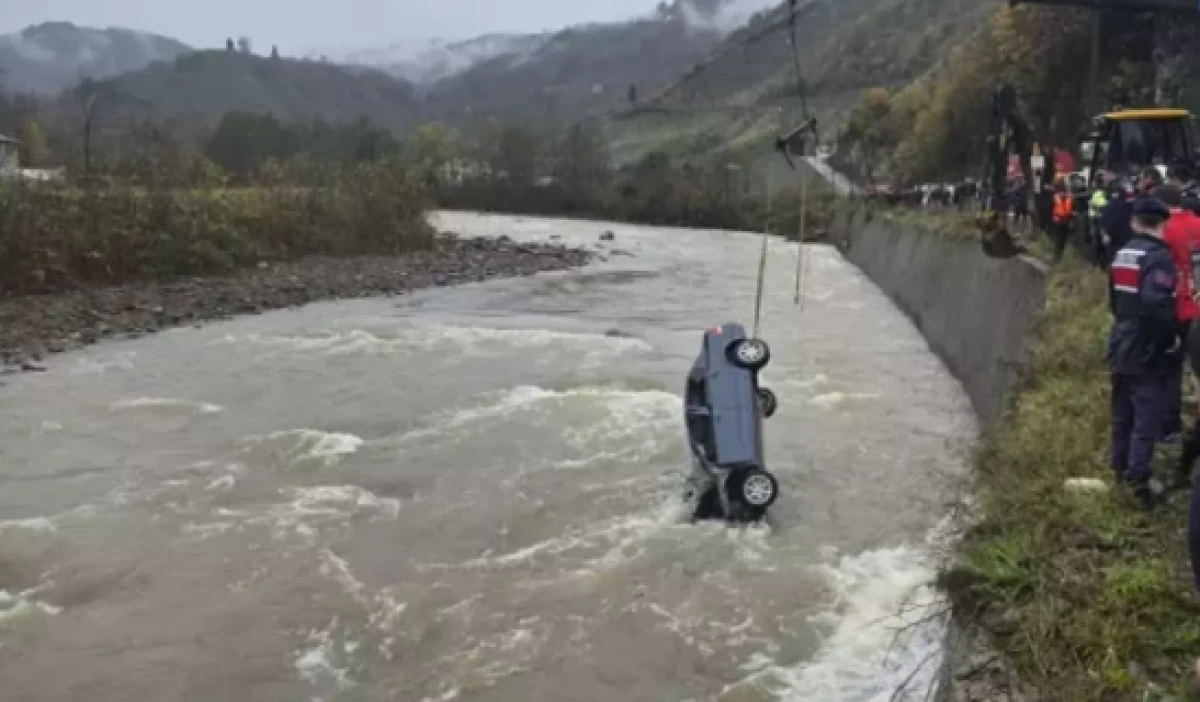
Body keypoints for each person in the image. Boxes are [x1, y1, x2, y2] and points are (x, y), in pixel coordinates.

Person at [1108, 196, 1177, 510]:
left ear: (1134, 222)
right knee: (1146, 416)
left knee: (1122, 413)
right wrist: (1167, 340)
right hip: (1144, 346)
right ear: (1163, 223)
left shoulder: (1123, 253)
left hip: (1120, 340)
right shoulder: (1158, 257)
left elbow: (1114, 301)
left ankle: (1119, 470)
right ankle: (1139, 481)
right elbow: (1156, 304)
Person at [1154, 184, 1200, 444]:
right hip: (1198, 306)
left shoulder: (1165, 231)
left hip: (1177, 307)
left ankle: (1171, 426)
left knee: (1170, 368)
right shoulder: (1198, 223)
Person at [1050, 179, 1075, 261]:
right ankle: (1056, 255)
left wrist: (1071, 220)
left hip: (1066, 220)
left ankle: (1059, 255)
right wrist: (1055, 217)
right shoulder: (1055, 197)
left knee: (1063, 238)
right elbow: (1052, 208)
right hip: (1059, 220)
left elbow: (1072, 210)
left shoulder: (1069, 197)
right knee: (1059, 239)